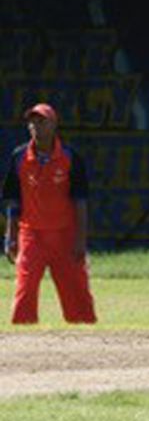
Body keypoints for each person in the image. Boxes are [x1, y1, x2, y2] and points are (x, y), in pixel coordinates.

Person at [2, 103, 97, 324]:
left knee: (76, 291)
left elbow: (80, 202)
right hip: (31, 235)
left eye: (41, 121)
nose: (35, 126)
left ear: (54, 125)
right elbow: (13, 201)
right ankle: (24, 340)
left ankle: (87, 340)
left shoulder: (70, 157)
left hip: (64, 235)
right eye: (32, 121)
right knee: (25, 290)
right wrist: (10, 236)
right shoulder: (19, 157)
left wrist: (80, 241)